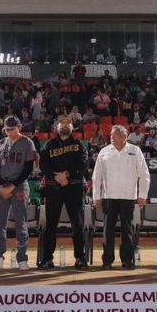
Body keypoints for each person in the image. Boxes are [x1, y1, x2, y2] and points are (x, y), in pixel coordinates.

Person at [92, 125, 150, 270]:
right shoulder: (104, 152)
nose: (111, 137)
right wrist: (96, 197)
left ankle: (127, 260)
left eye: (115, 134)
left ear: (124, 137)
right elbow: (96, 177)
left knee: (127, 229)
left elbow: (144, 175)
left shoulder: (135, 151)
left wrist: (142, 195)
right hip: (108, 196)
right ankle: (107, 261)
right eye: (111, 134)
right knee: (108, 230)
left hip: (128, 196)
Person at [38, 115, 89, 269]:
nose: (65, 125)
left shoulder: (79, 144)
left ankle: (80, 258)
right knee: (51, 225)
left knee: (77, 225)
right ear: (56, 127)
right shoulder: (49, 145)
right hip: (54, 188)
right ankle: (47, 259)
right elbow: (43, 165)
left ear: (72, 127)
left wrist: (66, 175)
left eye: (68, 123)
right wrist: (57, 177)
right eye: (61, 123)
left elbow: (84, 163)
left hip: (74, 187)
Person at [0, 116, 37, 270]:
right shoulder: (1, 143)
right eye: (7, 129)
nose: (9, 131)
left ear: (19, 127)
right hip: (3, 186)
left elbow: (28, 168)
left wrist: (13, 185)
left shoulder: (27, 142)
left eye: (12, 128)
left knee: (21, 223)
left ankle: (22, 258)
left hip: (19, 186)